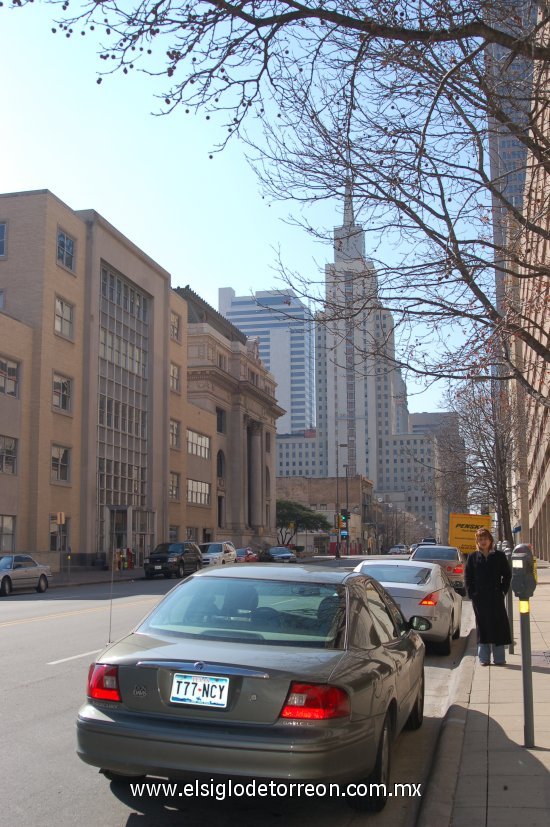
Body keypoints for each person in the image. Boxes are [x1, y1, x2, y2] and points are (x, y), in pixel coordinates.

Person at [465, 527, 512, 666]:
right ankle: (483, 658)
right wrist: (472, 594)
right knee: (483, 626)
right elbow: (468, 578)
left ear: (490, 540)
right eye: (480, 539)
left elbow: (507, 575)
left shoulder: (499, 556)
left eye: (485, 539)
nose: (483, 542)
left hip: (496, 597)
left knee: (499, 625)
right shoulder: (473, 557)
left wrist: (503, 591)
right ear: (477, 542)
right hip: (479, 599)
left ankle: (499, 658)